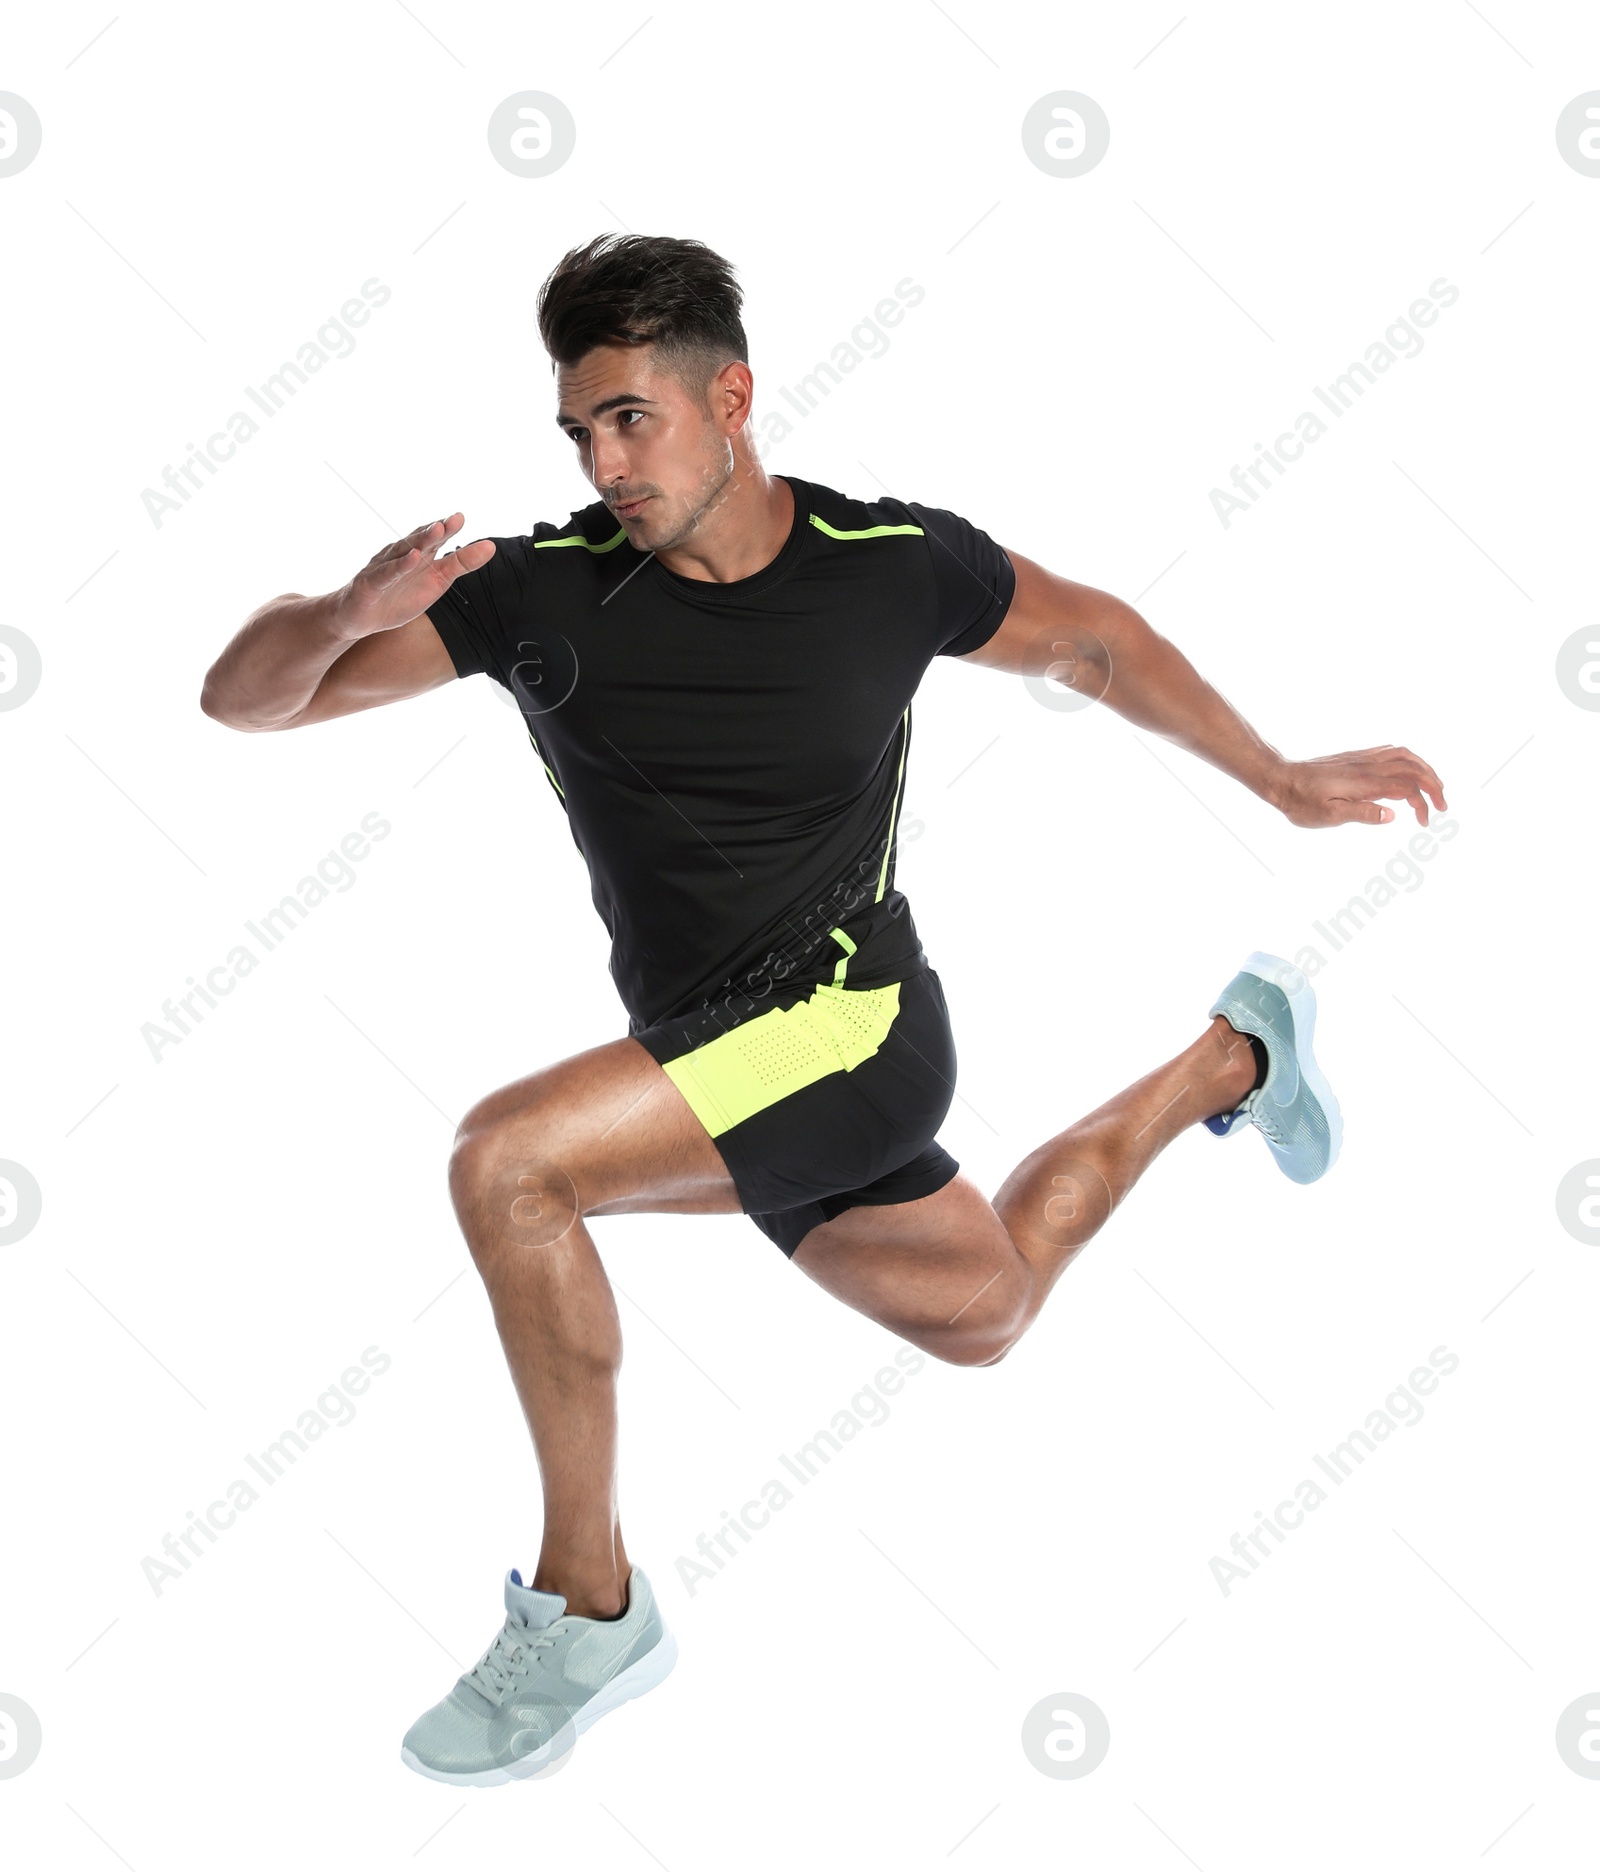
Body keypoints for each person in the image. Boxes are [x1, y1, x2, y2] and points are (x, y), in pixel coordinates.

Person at [199, 233, 1446, 1784]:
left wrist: (1279, 774)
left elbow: (1096, 639)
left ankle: (589, 1608)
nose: (605, 460)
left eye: (631, 420)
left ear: (729, 397)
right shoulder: (536, 593)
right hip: (712, 1063)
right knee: (985, 1311)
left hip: (848, 1025)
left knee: (507, 1165)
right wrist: (343, 605)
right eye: (579, 431)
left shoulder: (890, 563)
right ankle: (1234, 1055)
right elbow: (243, 700)